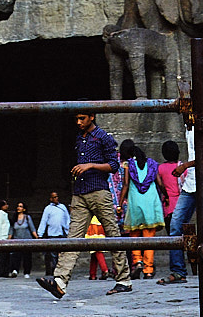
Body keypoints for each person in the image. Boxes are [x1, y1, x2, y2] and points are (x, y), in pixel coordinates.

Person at [39, 112, 134, 299]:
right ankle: (60, 281)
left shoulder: (104, 137)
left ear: (92, 117)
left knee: (113, 234)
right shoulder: (78, 138)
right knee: (73, 238)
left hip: (99, 191)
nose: (79, 122)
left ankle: (124, 280)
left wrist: (90, 165)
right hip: (80, 193)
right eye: (76, 119)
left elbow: (114, 165)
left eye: (82, 118)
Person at [119, 139, 163, 278]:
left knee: (134, 236)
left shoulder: (128, 165)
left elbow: (125, 184)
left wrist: (120, 203)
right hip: (151, 203)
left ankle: (137, 261)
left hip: (135, 202)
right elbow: (160, 183)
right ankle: (148, 270)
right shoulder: (152, 164)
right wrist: (166, 196)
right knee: (149, 239)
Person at [157, 141, 191, 285]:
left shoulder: (160, 168)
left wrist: (166, 196)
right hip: (182, 200)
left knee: (173, 236)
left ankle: (179, 269)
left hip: (169, 206)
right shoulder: (182, 166)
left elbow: (160, 184)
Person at [38, 190, 70, 277]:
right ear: (51, 199)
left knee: (62, 254)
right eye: (54, 197)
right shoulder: (48, 209)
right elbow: (44, 221)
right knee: (53, 255)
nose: (56, 198)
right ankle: (55, 271)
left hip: (62, 233)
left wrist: (68, 232)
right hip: (52, 234)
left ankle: (63, 271)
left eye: (57, 197)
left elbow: (67, 220)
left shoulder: (62, 207)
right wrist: (40, 234)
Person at [12, 203, 38, 277]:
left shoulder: (27, 217)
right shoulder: (14, 218)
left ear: (24, 209)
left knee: (27, 257)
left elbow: (32, 228)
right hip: (17, 240)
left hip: (27, 240)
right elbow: (11, 230)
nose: (18, 208)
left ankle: (27, 272)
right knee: (16, 256)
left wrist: (36, 237)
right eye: (18, 206)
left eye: (20, 206)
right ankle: (15, 270)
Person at [0, 202, 13, 276]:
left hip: (5, 237)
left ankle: (5, 272)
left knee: (5, 257)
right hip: (1, 238)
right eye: (5, 205)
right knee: (1, 257)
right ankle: (0, 272)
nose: (7, 206)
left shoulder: (4, 214)